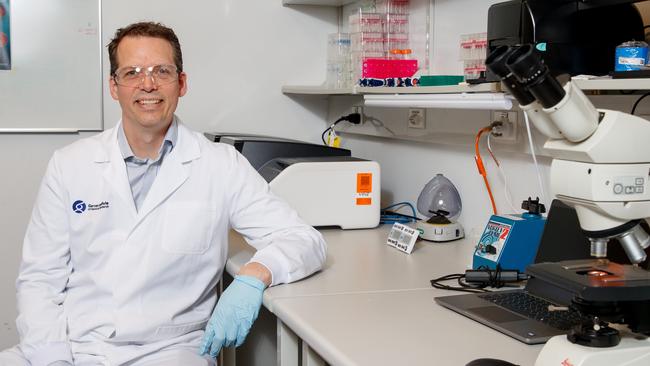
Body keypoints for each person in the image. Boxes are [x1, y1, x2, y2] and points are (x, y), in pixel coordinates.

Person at [0, 21, 326, 366]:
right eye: (132, 72)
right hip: (72, 344)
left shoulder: (220, 164)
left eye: (162, 70)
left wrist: (255, 275)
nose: (148, 84)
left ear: (181, 83)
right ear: (114, 86)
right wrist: (54, 360)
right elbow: (40, 279)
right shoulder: (70, 165)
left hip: (170, 353)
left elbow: (304, 240)